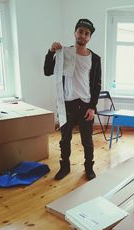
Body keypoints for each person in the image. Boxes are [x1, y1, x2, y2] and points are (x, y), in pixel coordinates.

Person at [44, 18, 101, 180]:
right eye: (80, 31)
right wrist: (51, 52)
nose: (83, 35)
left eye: (86, 33)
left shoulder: (95, 59)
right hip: (66, 104)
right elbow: (48, 71)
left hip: (85, 105)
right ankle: (65, 167)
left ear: (89, 37)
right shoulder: (64, 53)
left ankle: (89, 167)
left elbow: (97, 84)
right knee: (65, 139)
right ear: (75, 32)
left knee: (87, 140)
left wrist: (92, 107)